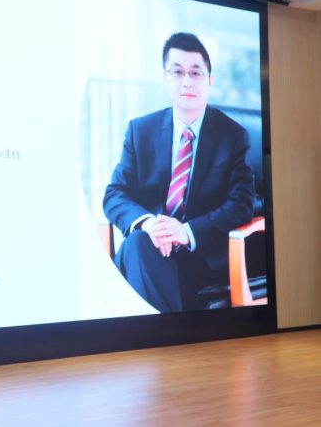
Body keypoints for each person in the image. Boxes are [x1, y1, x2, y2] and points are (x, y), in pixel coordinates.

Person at [103, 32, 255, 313]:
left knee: (134, 251)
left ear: (209, 81)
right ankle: (166, 337)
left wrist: (186, 231)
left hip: (199, 257)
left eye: (196, 73)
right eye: (177, 72)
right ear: (165, 78)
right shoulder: (140, 130)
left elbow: (242, 204)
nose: (187, 81)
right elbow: (115, 194)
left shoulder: (232, 136)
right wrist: (148, 223)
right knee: (139, 242)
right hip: (148, 247)